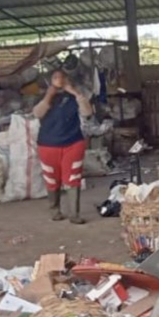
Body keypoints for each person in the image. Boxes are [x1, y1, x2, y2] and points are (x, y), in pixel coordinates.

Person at [33, 69, 92, 223]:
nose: (59, 80)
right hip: (47, 145)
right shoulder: (43, 97)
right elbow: (38, 114)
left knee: (73, 177)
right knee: (52, 179)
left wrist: (74, 92)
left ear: (67, 80)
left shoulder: (74, 97)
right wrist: (49, 95)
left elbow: (87, 112)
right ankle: (55, 210)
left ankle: (74, 214)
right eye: (55, 77)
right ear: (49, 81)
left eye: (62, 77)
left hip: (73, 143)